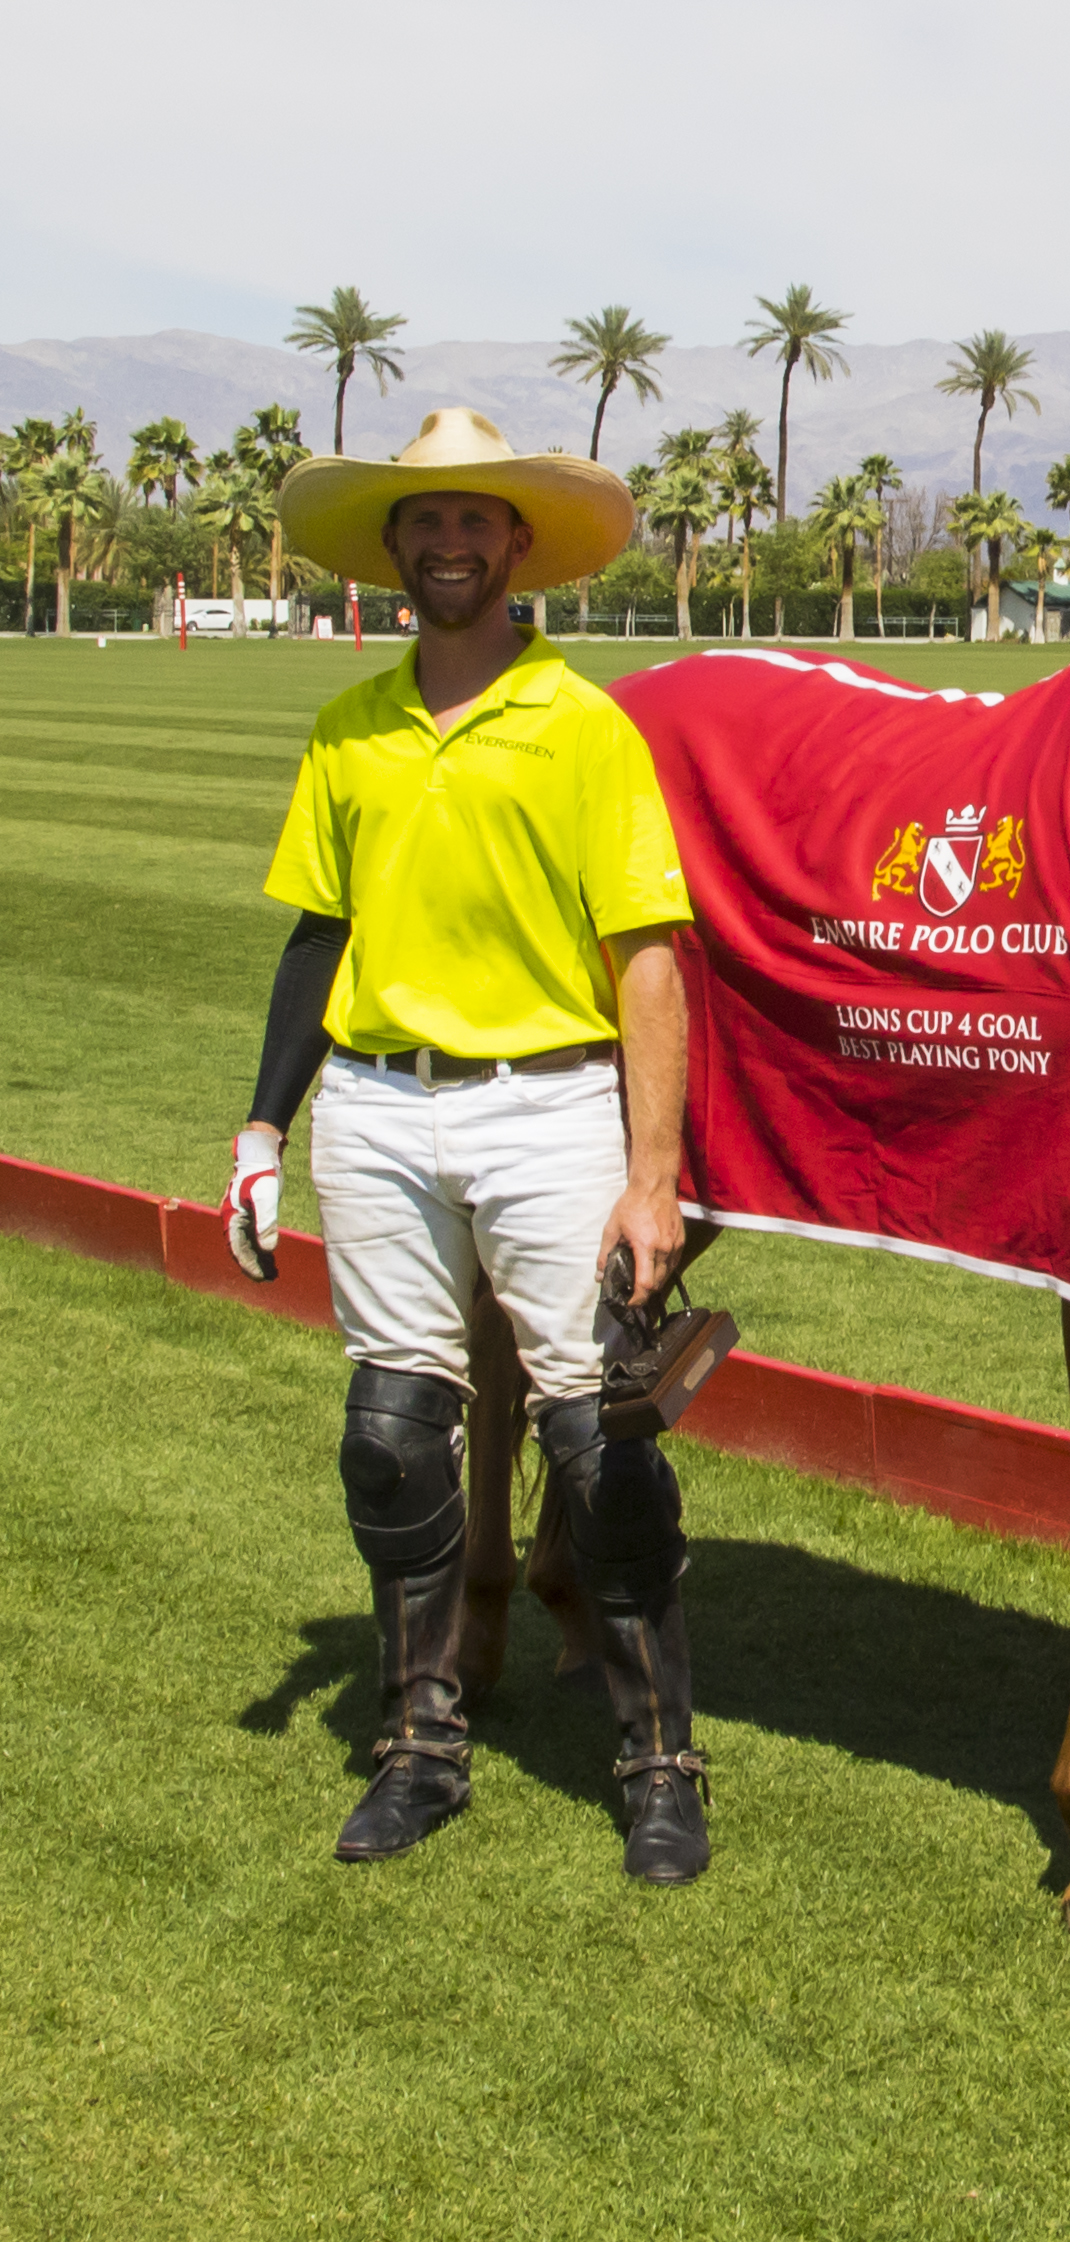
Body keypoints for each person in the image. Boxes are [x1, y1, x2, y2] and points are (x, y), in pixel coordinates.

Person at [219, 407, 714, 1882]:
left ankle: (661, 1764)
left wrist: (653, 1174)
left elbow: (648, 958)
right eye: (422, 520)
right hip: (378, 1108)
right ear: (392, 549)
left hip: (547, 1105)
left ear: (516, 545)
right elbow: (319, 937)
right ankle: (422, 1745)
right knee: (392, 1439)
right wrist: (264, 1124)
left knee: (601, 1442)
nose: (447, 542)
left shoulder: (585, 726)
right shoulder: (349, 728)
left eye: (472, 519)